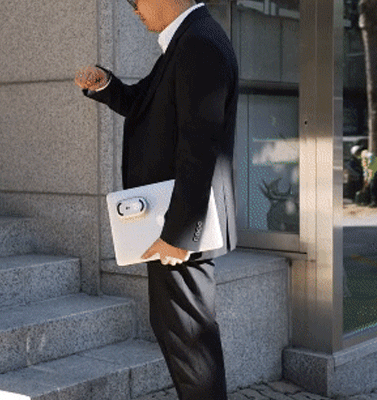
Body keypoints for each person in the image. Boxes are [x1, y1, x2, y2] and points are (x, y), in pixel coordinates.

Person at [74, 1, 238, 399]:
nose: (133, 7)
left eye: (136, 1)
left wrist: (179, 235)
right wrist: (107, 86)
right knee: (179, 336)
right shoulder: (188, 39)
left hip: (180, 231)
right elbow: (142, 103)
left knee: (191, 347)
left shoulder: (198, 42)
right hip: (173, 223)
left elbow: (200, 146)